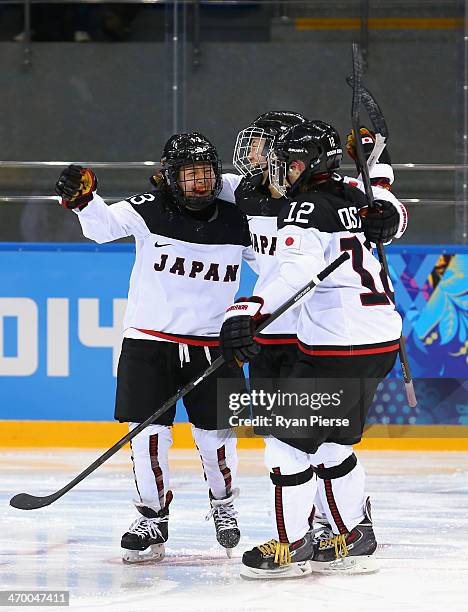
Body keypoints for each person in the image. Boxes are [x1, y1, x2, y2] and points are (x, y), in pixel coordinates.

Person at [219, 120, 407, 578]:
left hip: (336, 345)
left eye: (291, 162)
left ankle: (292, 543)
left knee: (284, 444)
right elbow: (386, 208)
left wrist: (247, 308)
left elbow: (294, 271)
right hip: (378, 338)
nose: (283, 169)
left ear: (312, 165)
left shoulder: (302, 208)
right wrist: (391, 212)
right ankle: (354, 535)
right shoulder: (354, 192)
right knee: (331, 442)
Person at [55, 132, 254, 563]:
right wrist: (84, 200)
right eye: (189, 175)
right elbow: (103, 228)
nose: (200, 184)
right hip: (148, 344)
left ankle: (223, 504)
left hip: (213, 346)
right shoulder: (148, 210)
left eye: (206, 174)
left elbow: (277, 264)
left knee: (216, 439)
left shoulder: (241, 216)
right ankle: (152, 516)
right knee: (147, 438)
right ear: (168, 177)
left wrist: (251, 309)